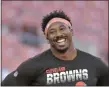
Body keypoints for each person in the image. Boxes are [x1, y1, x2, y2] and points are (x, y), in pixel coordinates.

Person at [2, 10, 109, 86]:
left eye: (62, 29)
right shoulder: (32, 66)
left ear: (71, 31)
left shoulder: (95, 65)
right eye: (52, 32)